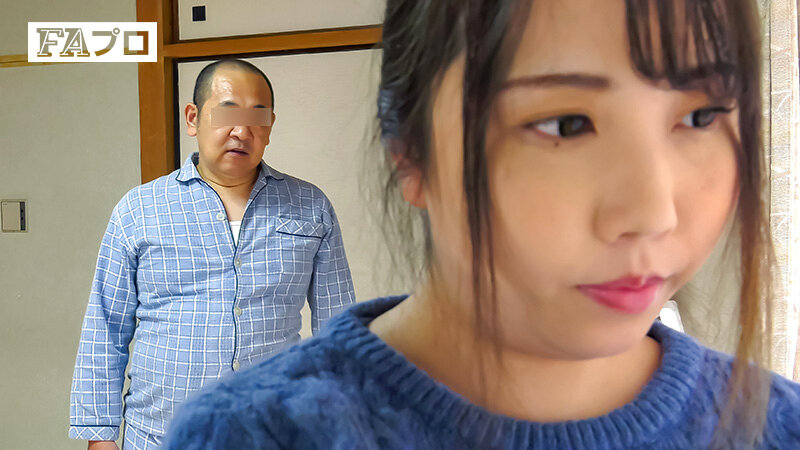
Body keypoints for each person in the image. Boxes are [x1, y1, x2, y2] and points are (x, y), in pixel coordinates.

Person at [165, 1, 800, 449]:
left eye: (701, 117)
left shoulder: (778, 427)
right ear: (410, 153)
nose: (653, 214)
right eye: (566, 124)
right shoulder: (250, 435)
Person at [69, 59, 355, 449]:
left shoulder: (310, 206)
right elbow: (105, 329)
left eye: (258, 117)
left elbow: (338, 325)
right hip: (159, 434)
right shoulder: (138, 210)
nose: (242, 131)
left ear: (270, 127)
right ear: (193, 119)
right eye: (227, 113)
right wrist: (99, 435)